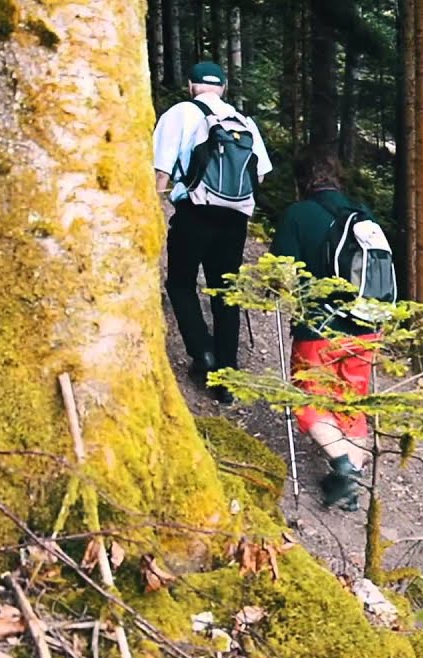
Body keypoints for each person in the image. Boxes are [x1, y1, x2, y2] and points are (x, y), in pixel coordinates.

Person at [153, 61, 272, 404]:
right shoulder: (243, 121)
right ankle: (227, 381)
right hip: (234, 220)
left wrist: (158, 201)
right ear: (222, 87)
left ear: (191, 85)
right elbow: (259, 175)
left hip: (194, 212)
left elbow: (161, 170)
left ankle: (203, 352)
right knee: (226, 294)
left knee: (180, 282)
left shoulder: (180, 113)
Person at [270, 143, 380, 511]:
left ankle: (343, 466)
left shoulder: (298, 214)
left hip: (319, 325)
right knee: (352, 399)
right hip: (366, 324)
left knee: (307, 396)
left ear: (302, 180)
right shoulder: (362, 215)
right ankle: (353, 478)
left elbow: (280, 273)